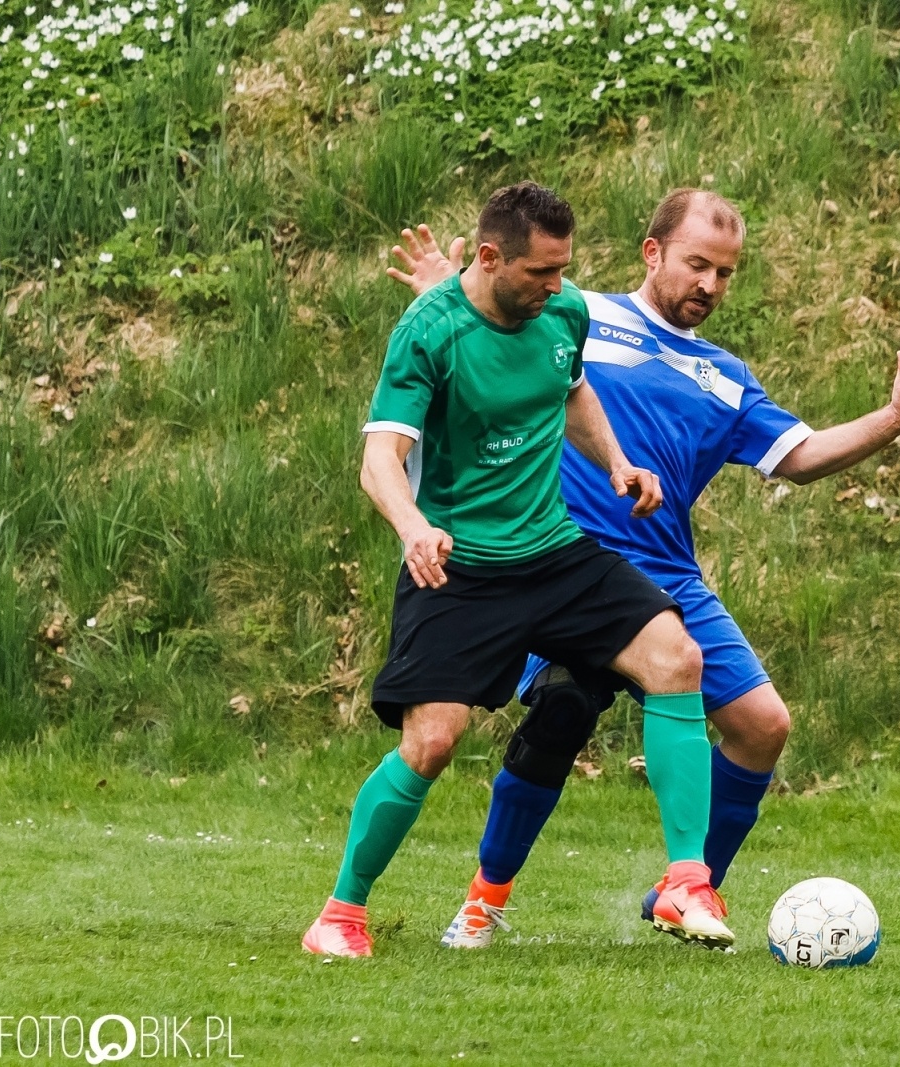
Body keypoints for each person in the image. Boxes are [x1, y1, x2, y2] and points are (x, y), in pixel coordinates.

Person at [386, 189, 900, 949]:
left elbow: (801, 456)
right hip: (559, 560)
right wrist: (447, 285)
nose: (710, 285)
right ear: (652, 253)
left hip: (668, 576)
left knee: (764, 725)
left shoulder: (726, 377)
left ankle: (690, 890)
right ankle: (483, 900)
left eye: (726, 273)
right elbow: (488, 324)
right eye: (697, 264)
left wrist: (894, 419)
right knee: (562, 714)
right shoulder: (574, 316)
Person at [301, 182, 735, 958]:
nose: (558, 288)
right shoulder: (429, 332)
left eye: (564, 270)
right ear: (492, 257)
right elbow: (380, 461)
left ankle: (685, 880)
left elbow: (571, 393)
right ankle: (341, 912)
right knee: (432, 742)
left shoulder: (560, 315)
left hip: (552, 552)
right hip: (459, 566)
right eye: (540, 272)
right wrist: (414, 527)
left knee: (678, 657)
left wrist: (618, 463)